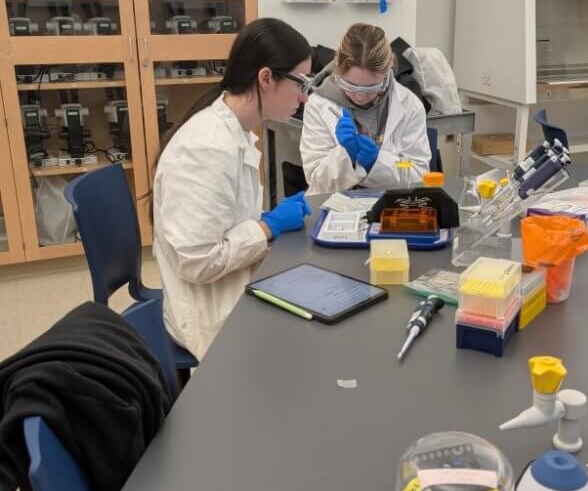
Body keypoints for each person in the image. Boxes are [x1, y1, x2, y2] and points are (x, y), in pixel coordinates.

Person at [153, 18, 313, 359]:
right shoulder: (207, 149)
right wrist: (267, 226)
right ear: (266, 78)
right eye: (300, 83)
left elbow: (225, 222)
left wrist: (264, 224)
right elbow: (196, 262)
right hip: (207, 313)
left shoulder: (235, 132)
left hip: (231, 287)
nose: (303, 97)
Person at [300, 23, 431, 195]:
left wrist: (377, 163)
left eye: (370, 89)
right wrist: (346, 156)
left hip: (388, 206)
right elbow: (316, 178)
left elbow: (418, 173)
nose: (360, 97)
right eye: (350, 86)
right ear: (338, 72)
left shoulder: (409, 105)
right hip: (334, 206)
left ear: (387, 72)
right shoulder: (318, 104)